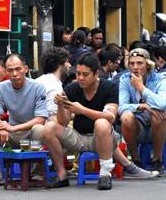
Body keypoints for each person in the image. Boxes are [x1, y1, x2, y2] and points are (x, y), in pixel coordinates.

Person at [43, 53, 158, 191]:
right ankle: (61, 175)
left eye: (85, 75)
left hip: (105, 137)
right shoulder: (71, 89)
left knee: (101, 123)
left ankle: (105, 174)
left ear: (96, 74)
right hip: (79, 137)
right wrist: (61, 105)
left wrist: (82, 110)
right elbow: (63, 121)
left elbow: (110, 117)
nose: (80, 78)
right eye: (78, 74)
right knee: (49, 127)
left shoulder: (109, 87)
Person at [0, 54, 47, 187]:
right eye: (10, 70)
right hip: (12, 135)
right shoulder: (0, 88)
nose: (14, 73)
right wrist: (1, 126)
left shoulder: (38, 87)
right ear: (6, 71)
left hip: (30, 133)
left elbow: (40, 119)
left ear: (26, 69)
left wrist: (11, 128)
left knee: (39, 129)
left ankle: (37, 174)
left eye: (18, 69)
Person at [119, 48, 166, 175]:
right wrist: (140, 107)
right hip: (137, 126)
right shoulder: (125, 79)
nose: (135, 67)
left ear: (147, 64)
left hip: (162, 127)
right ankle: (135, 161)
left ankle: (157, 160)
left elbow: (162, 104)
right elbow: (121, 106)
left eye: (139, 63)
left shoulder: (161, 79)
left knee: (158, 113)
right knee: (126, 117)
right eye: (132, 63)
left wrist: (141, 87)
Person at [35, 46, 71, 122]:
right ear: (60, 64)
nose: (70, 65)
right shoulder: (55, 87)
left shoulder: (37, 81)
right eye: (67, 62)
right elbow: (53, 118)